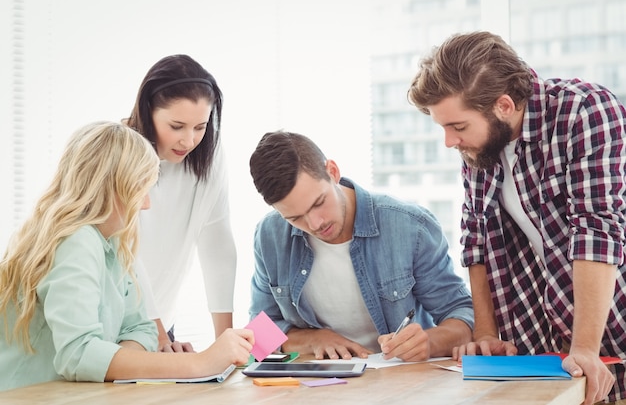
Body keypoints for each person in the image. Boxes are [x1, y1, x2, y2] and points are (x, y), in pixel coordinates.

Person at [408, 31, 626, 404]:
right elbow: (476, 237)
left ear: (504, 105)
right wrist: (487, 334)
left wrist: (586, 346)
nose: (449, 141)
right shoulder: (481, 147)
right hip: (541, 341)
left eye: (458, 127)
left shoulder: (585, 112)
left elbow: (597, 231)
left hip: (612, 322)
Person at [0, 121, 253, 391]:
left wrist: (111, 358)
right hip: (26, 395)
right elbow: (79, 354)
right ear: (112, 187)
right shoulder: (76, 241)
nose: (146, 204)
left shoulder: (113, 244)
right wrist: (201, 363)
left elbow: (141, 329)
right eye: (140, 189)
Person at [248, 130, 473, 362]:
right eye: (295, 218)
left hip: (399, 382)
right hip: (317, 386)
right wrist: (313, 339)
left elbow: (464, 315)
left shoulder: (409, 227)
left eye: (319, 203)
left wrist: (430, 342)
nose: (315, 224)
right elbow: (257, 333)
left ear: (332, 172)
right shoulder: (269, 236)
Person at [125, 54, 237, 352]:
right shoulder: (120, 152)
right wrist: (156, 333)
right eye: (176, 126)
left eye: (200, 127)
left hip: (162, 320)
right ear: (147, 111)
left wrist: (225, 342)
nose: (189, 141)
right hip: (122, 323)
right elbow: (126, 255)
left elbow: (217, 245)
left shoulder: (209, 157)